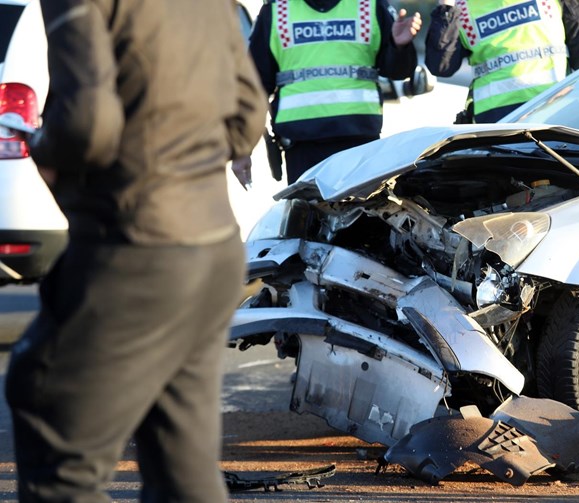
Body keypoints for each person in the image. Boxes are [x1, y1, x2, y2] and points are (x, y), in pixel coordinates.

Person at [4, 0, 266, 501]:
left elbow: (87, 125)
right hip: (213, 249)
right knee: (183, 471)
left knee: (53, 435)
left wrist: (45, 145)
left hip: (133, 249)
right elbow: (247, 117)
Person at [250, 0, 422, 184]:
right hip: (302, 147)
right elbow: (255, 85)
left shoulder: (369, 5)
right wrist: (243, 149)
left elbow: (397, 71)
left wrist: (399, 47)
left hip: (359, 143)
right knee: (308, 212)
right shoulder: (278, 10)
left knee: (361, 212)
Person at [425, 0, 579, 123]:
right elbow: (441, 66)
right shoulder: (462, 7)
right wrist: (446, 9)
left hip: (556, 112)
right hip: (497, 122)